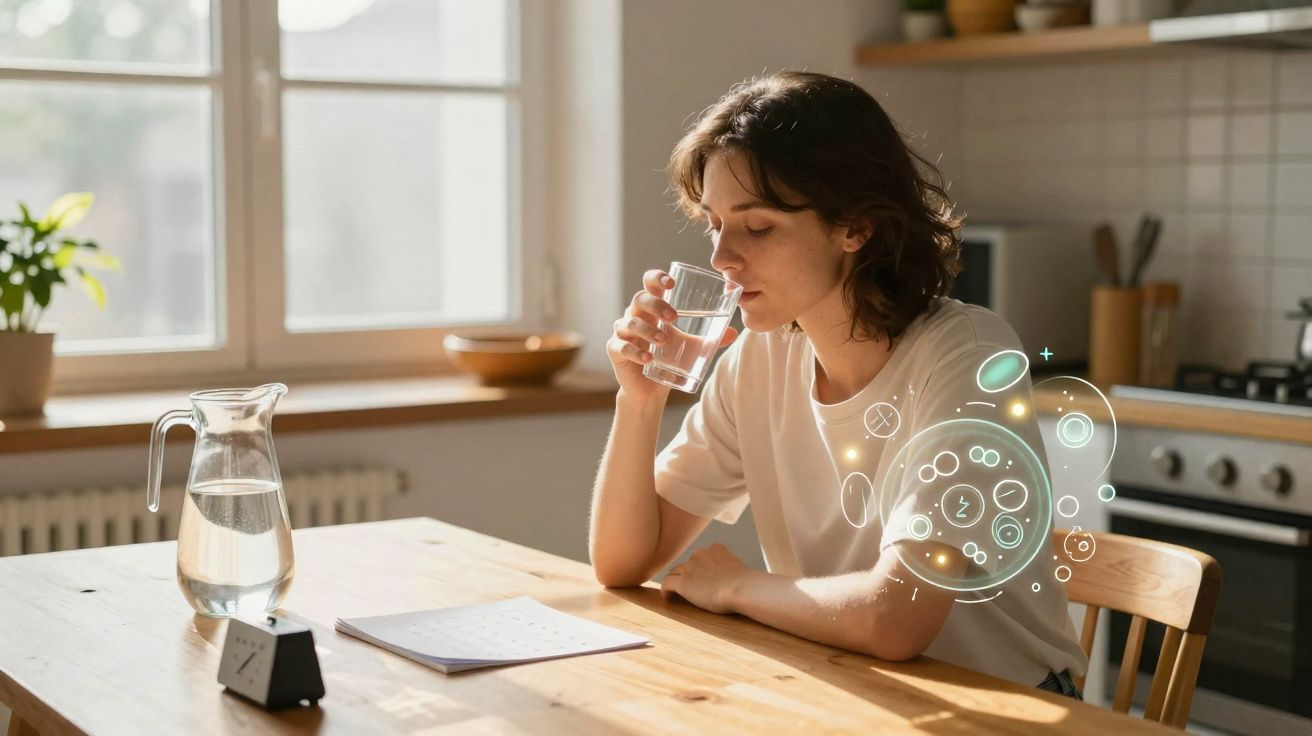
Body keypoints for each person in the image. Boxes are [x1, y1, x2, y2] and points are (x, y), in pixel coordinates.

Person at [588, 70, 1086, 697]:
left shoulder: (969, 357)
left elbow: (895, 619)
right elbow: (622, 562)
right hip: (858, 687)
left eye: (757, 227)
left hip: (1008, 708)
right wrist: (639, 399)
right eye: (714, 223)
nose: (721, 258)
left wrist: (737, 586)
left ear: (855, 226)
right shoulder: (760, 360)